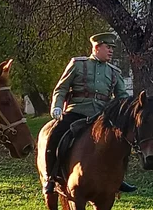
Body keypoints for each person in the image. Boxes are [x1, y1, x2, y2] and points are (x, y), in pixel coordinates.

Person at [43, 32, 135, 194]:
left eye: (112, 48)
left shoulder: (114, 72)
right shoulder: (78, 64)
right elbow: (61, 88)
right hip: (76, 112)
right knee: (55, 136)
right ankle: (51, 177)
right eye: (108, 47)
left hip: (101, 117)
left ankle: (118, 178)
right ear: (97, 47)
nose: (111, 51)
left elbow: (122, 97)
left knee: (121, 142)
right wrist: (56, 106)